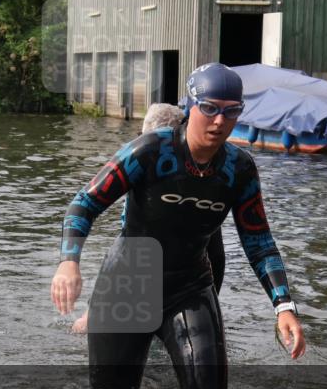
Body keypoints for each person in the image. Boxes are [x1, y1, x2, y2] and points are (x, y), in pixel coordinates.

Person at [50, 63, 305, 389]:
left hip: (189, 286)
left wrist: (284, 307)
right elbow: (83, 204)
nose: (220, 121)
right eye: (211, 108)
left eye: (232, 111)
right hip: (128, 282)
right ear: (191, 108)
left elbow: (259, 240)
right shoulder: (148, 152)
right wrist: (68, 263)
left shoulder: (240, 169)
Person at [70, 103, 227, 335]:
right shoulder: (199, 170)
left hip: (179, 275)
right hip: (189, 274)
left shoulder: (149, 164)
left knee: (85, 329)